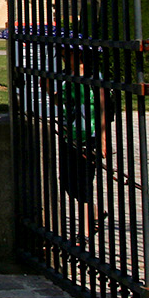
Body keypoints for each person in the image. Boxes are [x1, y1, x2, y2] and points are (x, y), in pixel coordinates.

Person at [55, 46, 106, 237]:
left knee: (84, 182)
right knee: (67, 181)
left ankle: (84, 233)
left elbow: (101, 108)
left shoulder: (94, 76)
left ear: (78, 55)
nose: (62, 59)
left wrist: (102, 139)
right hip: (68, 135)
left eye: (64, 55)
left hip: (89, 136)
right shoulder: (65, 76)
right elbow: (60, 102)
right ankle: (95, 213)